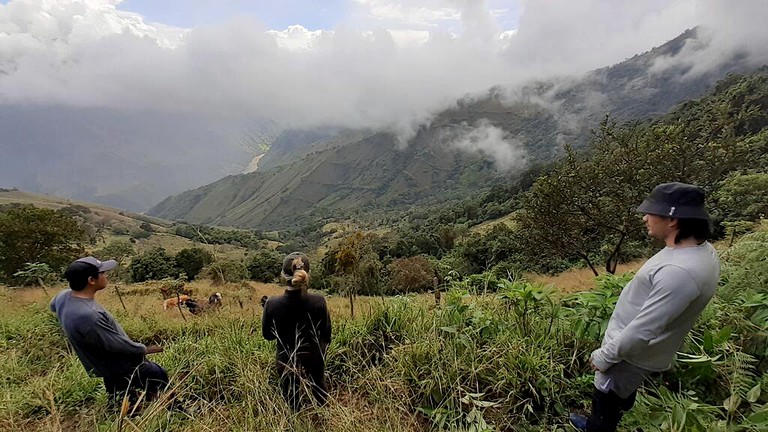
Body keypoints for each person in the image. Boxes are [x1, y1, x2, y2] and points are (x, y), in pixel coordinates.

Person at [569, 183, 721, 432]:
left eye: (651, 212)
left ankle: (596, 427)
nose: (645, 218)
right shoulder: (699, 251)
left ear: (672, 220)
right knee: (618, 395)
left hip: (629, 356)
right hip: (639, 353)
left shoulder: (679, 272)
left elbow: (643, 330)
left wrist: (604, 356)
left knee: (605, 402)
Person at [50, 256, 169, 409]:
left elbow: (53, 307)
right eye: (103, 273)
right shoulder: (88, 315)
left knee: (119, 395)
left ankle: (126, 410)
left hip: (104, 364)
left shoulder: (63, 296)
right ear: (91, 280)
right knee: (158, 376)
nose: (106, 275)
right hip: (122, 363)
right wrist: (141, 349)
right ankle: (171, 408)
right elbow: (117, 345)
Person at [262, 252, 332, 411]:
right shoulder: (319, 301)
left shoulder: (271, 304)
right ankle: (323, 418)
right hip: (315, 358)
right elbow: (327, 334)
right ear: (307, 275)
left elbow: (267, 335)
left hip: (285, 360)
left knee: (292, 403)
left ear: (283, 275)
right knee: (320, 391)